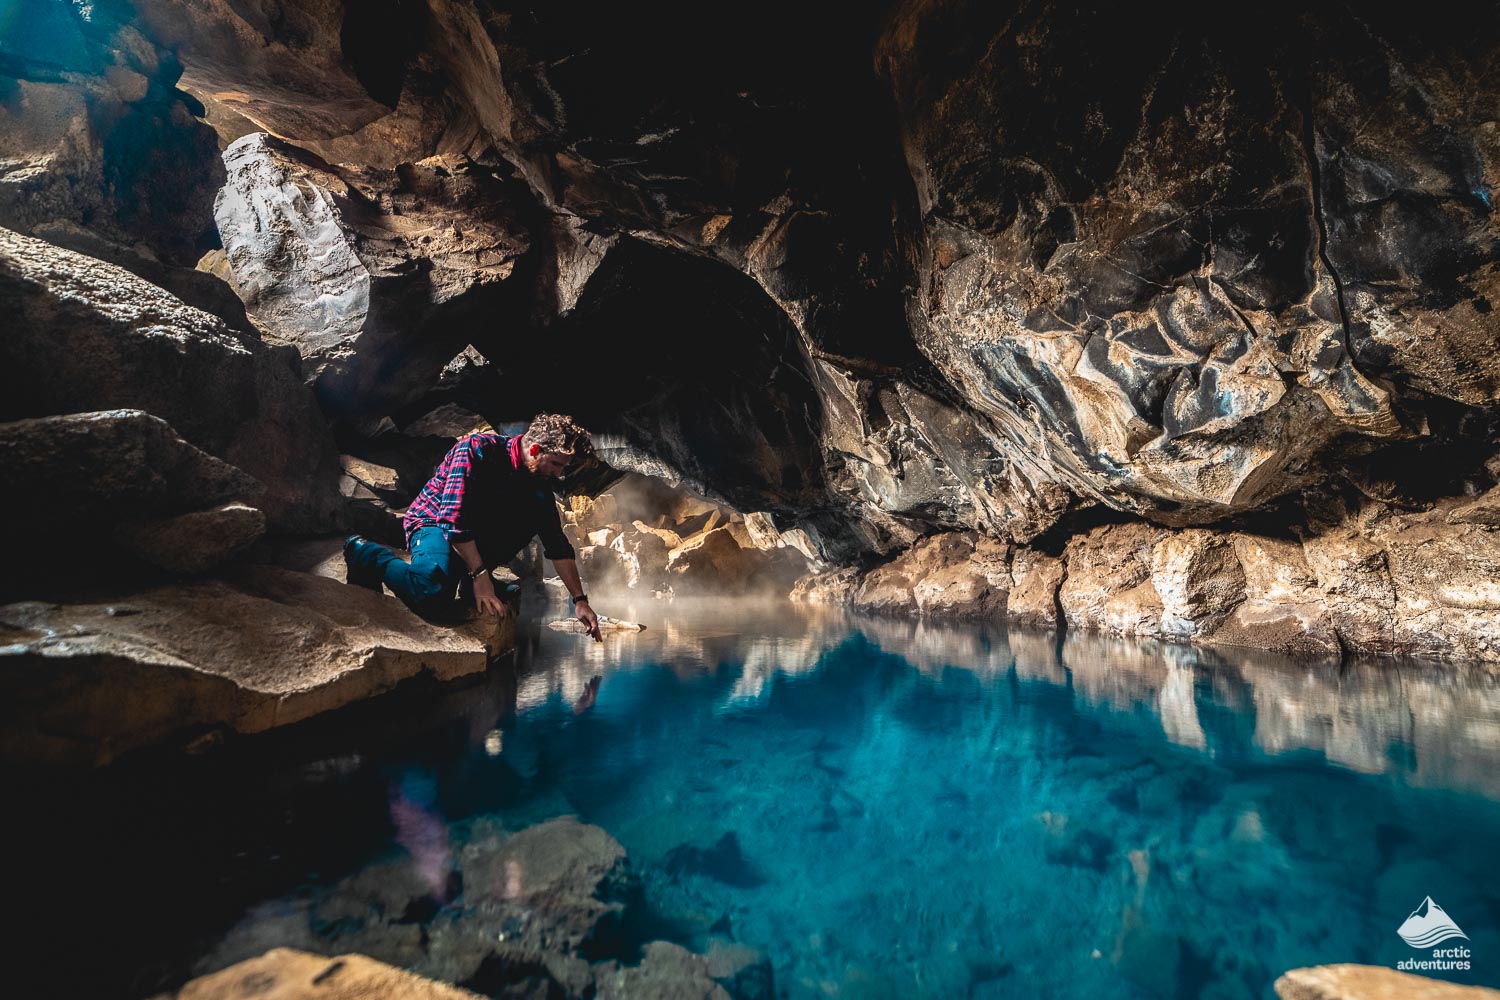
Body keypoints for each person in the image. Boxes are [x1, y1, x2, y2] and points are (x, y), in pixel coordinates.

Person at [344, 413, 602, 641]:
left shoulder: (539, 483)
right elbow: (452, 519)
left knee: (533, 511)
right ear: (534, 450)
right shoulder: (476, 449)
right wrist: (480, 576)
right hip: (433, 522)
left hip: (474, 532)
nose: (559, 474)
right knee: (431, 592)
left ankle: (470, 583)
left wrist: (580, 601)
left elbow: (557, 544)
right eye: (556, 464)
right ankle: (366, 554)